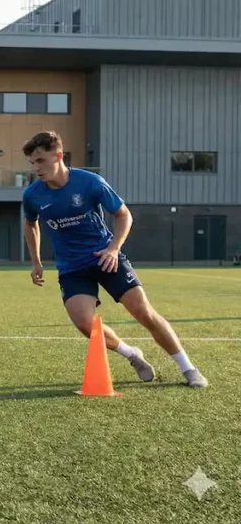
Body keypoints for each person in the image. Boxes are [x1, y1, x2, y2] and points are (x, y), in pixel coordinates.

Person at [21, 130, 207, 388]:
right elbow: (30, 224)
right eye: (32, 163)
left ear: (59, 156)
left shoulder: (90, 182)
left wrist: (113, 249)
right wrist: (36, 261)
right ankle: (132, 354)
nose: (36, 168)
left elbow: (124, 215)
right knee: (86, 325)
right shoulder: (33, 195)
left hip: (105, 258)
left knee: (144, 313)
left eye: (41, 160)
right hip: (72, 268)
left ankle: (189, 369)